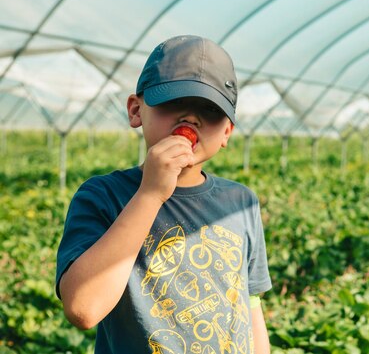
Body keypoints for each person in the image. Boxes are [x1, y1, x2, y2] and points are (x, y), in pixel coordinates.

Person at [56, 35, 272, 354]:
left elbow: (249, 303)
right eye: (173, 101)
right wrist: (150, 194)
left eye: (209, 110)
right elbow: (83, 309)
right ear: (135, 110)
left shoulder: (241, 202)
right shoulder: (104, 196)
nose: (190, 118)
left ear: (227, 132)